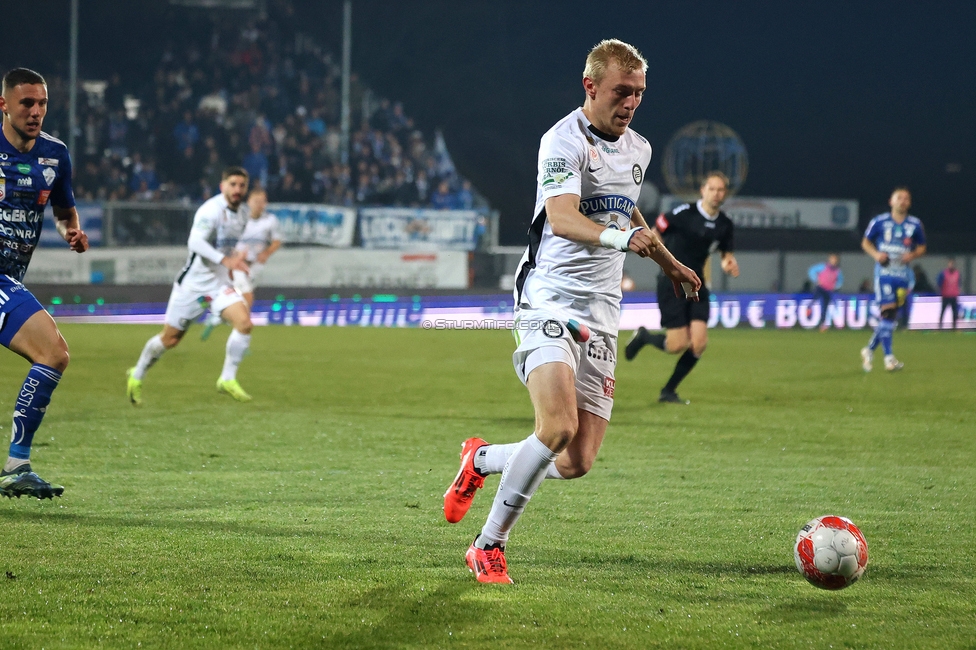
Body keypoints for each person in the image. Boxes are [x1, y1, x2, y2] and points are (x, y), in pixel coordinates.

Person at [442, 39, 701, 584]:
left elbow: (625, 208)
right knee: (555, 425)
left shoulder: (639, 148)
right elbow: (561, 218)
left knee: (576, 460)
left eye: (639, 93)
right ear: (591, 87)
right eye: (621, 91)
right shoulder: (561, 141)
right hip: (550, 297)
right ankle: (488, 545)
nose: (631, 102)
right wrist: (620, 240)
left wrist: (669, 262)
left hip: (603, 310)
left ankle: (483, 460)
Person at [0, 68, 88, 499]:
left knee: (53, 356)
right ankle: (16, 464)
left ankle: (16, 466)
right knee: (52, 352)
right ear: (4, 105)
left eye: (42, 104)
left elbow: (62, 208)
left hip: (10, 277)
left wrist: (71, 230)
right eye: (26, 104)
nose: (36, 112)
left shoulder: (55, 154)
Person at [126, 167, 255, 403]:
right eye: (233, 184)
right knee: (171, 339)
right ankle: (138, 373)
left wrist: (235, 259)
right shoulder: (211, 210)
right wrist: (226, 260)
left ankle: (227, 379)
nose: (237, 190)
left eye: (242, 185)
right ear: (222, 186)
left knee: (244, 323)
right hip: (193, 287)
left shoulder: (243, 214)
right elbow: (195, 242)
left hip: (218, 284)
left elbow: (225, 245)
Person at [623, 171, 739, 403]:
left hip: (696, 285)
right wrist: (660, 256)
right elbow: (656, 232)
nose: (716, 194)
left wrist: (728, 262)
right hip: (672, 282)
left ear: (724, 194)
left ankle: (669, 391)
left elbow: (725, 253)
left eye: (721, 190)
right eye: (712, 189)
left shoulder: (725, 224)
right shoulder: (682, 214)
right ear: (703, 190)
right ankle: (644, 337)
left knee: (699, 343)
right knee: (677, 345)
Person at [200, 187, 281, 339]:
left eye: (262, 201)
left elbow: (277, 241)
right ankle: (241, 326)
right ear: (249, 202)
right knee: (247, 294)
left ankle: (219, 313)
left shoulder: (270, 220)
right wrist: (234, 255)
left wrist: (266, 253)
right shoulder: (240, 219)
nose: (259, 204)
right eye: (256, 201)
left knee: (238, 294)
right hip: (237, 263)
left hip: (256, 264)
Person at [860, 187, 926, 371]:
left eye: (906, 198)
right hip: (885, 274)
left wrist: (912, 255)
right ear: (891, 201)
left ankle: (869, 349)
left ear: (909, 203)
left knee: (890, 319)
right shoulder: (879, 221)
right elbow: (865, 242)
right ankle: (889, 359)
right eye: (899, 198)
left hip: (903, 276)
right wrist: (876, 255)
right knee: (888, 314)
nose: (903, 201)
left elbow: (922, 247)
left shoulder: (914, 224)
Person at [807, 254, 844, 331]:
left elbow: (840, 281)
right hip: (821, 287)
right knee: (815, 298)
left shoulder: (837, 271)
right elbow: (811, 271)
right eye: (832, 259)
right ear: (829, 260)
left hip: (828, 290)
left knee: (825, 307)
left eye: (835, 260)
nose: (834, 261)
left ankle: (822, 324)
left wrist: (835, 286)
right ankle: (809, 308)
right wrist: (816, 280)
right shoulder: (823, 267)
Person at [936, 258, 961, 329]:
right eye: (950, 264)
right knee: (943, 311)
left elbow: (959, 283)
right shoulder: (943, 273)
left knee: (954, 311)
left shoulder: (957, 273)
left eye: (952, 264)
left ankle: (954, 326)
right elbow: (939, 282)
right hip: (946, 295)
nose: (951, 265)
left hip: (954, 295)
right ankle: (940, 325)